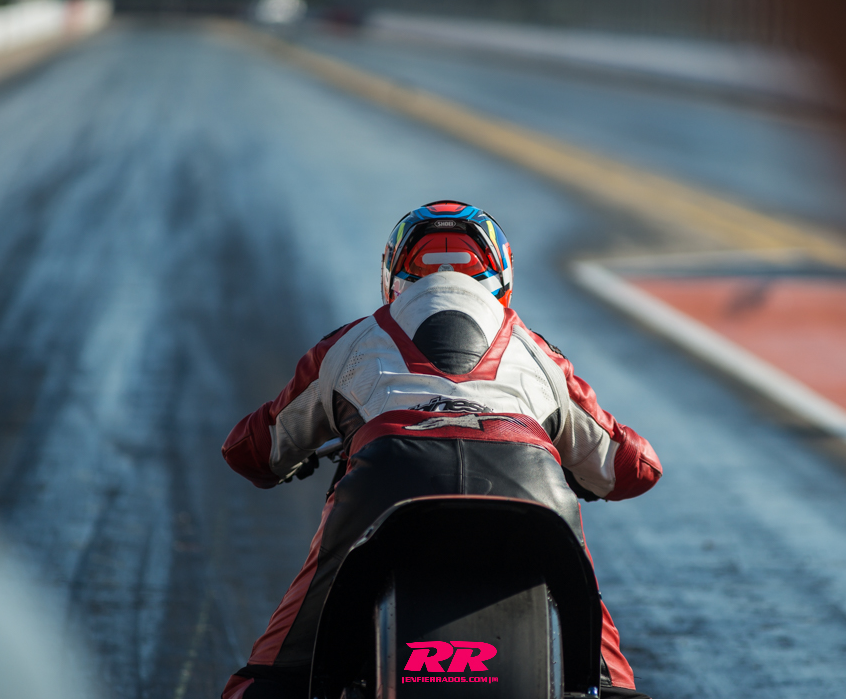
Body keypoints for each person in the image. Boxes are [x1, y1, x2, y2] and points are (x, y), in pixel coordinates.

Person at [220, 201, 663, 699]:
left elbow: (253, 450)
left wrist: (286, 459)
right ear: (501, 276)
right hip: (528, 480)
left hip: (387, 478)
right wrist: (586, 472)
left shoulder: (347, 343)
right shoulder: (540, 353)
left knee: (276, 674)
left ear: (393, 276)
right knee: (608, 680)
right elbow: (633, 467)